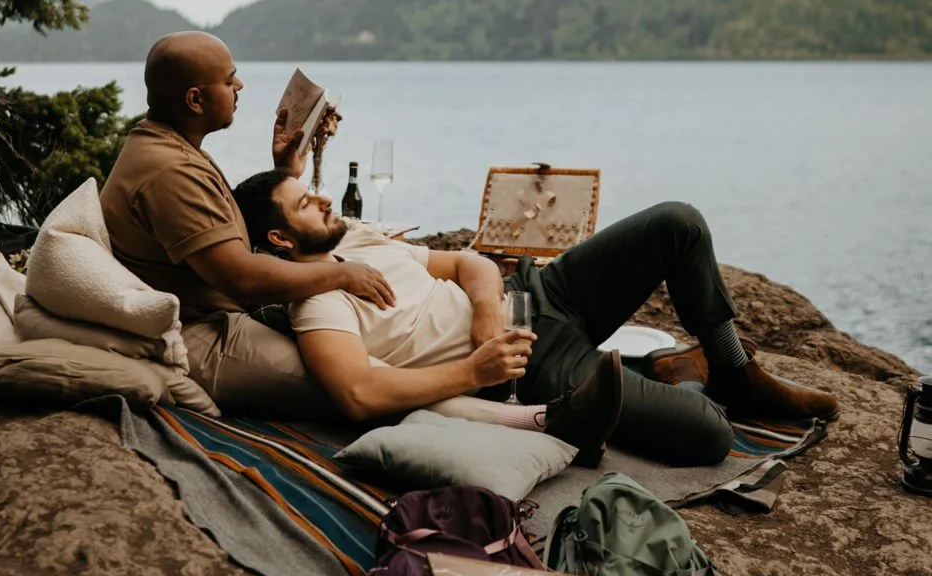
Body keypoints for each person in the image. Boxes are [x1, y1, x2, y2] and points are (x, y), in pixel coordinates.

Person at [231, 170, 840, 468]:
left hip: (540, 293)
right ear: (281, 239)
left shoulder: (358, 239)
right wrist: (475, 367)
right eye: (307, 202)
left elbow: (468, 263)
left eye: (314, 189)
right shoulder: (317, 305)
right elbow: (358, 395)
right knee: (709, 435)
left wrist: (486, 311)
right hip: (533, 365)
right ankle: (674, 372)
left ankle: (731, 365)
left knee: (677, 223)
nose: (324, 198)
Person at [99, 32, 397, 416]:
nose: (239, 86)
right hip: (197, 333)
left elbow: (221, 236)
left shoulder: (170, 146)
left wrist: (284, 171)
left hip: (220, 314)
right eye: (228, 80)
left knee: (377, 353)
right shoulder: (170, 170)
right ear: (195, 99)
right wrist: (344, 276)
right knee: (358, 383)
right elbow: (242, 277)